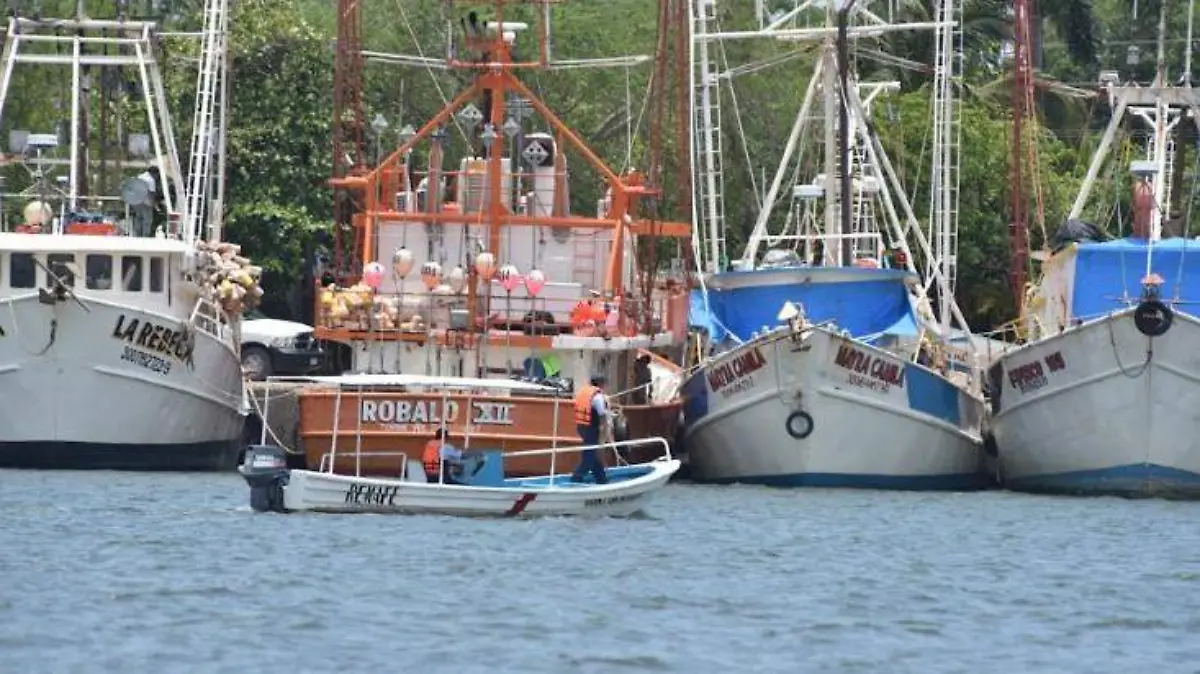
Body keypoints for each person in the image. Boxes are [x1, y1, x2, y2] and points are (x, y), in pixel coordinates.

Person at [571, 374, 610, 484]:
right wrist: (604, 429)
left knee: (592, 453)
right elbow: (602, 414)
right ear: (601, 384)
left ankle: (601, 478)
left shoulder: (584, 392)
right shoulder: (598, 397)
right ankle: (576, 478)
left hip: (581, 426)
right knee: (589, 456)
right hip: (591, 428)